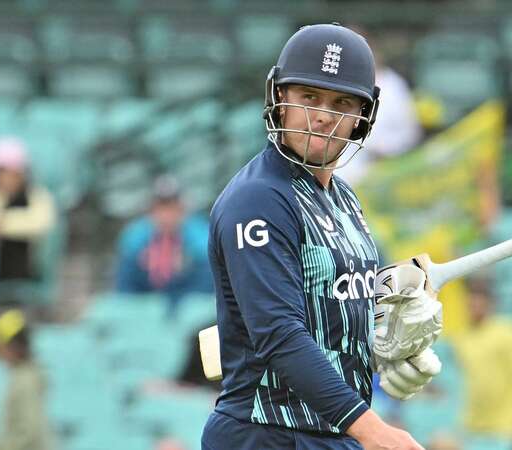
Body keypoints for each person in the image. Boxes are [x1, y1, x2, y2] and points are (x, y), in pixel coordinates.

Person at [201, 24, 443, 450]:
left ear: (362, 118)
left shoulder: (345, 199)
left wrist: (389, 343)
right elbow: (279, 333)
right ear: (280, 99)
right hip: (267, 433)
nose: (324, 115)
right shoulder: (259, 198)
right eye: (309, 97)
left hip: (332, 433)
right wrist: (374, 430)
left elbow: (332, 320)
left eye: (341, 102)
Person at [335, 27, 422, 185]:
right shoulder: (330, 84)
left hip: (377, 177)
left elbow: (409, 134)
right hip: (334, 175)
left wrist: (383, 150)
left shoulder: (393, 86)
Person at [451, 276, 512, 439]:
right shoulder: (461, 337)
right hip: (471, 425)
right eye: (470, 299)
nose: (474, 305)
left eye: (479, 299)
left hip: (505, 424)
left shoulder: (507, 331)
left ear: (490, 303)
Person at [0, 137, 56, 288]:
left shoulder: (37, 196)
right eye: (1, 171)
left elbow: (42, 223)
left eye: (11, 172)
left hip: (17, 269)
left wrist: (2, 225)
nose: (6, 177)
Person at [115, 175, 212, 311]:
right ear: (151, 210)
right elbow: (125, 290)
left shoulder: (200, 235)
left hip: (189, 310)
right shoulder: (135, 237)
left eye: (172, 208)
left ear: (182, 209)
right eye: (161, 208)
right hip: (145, 312)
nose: (166, 215)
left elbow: (207, 287)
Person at [0, 309, 54, 450]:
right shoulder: (23, 375)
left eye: (0, 348)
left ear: (14, 347)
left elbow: (29, 433)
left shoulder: (25, 381)